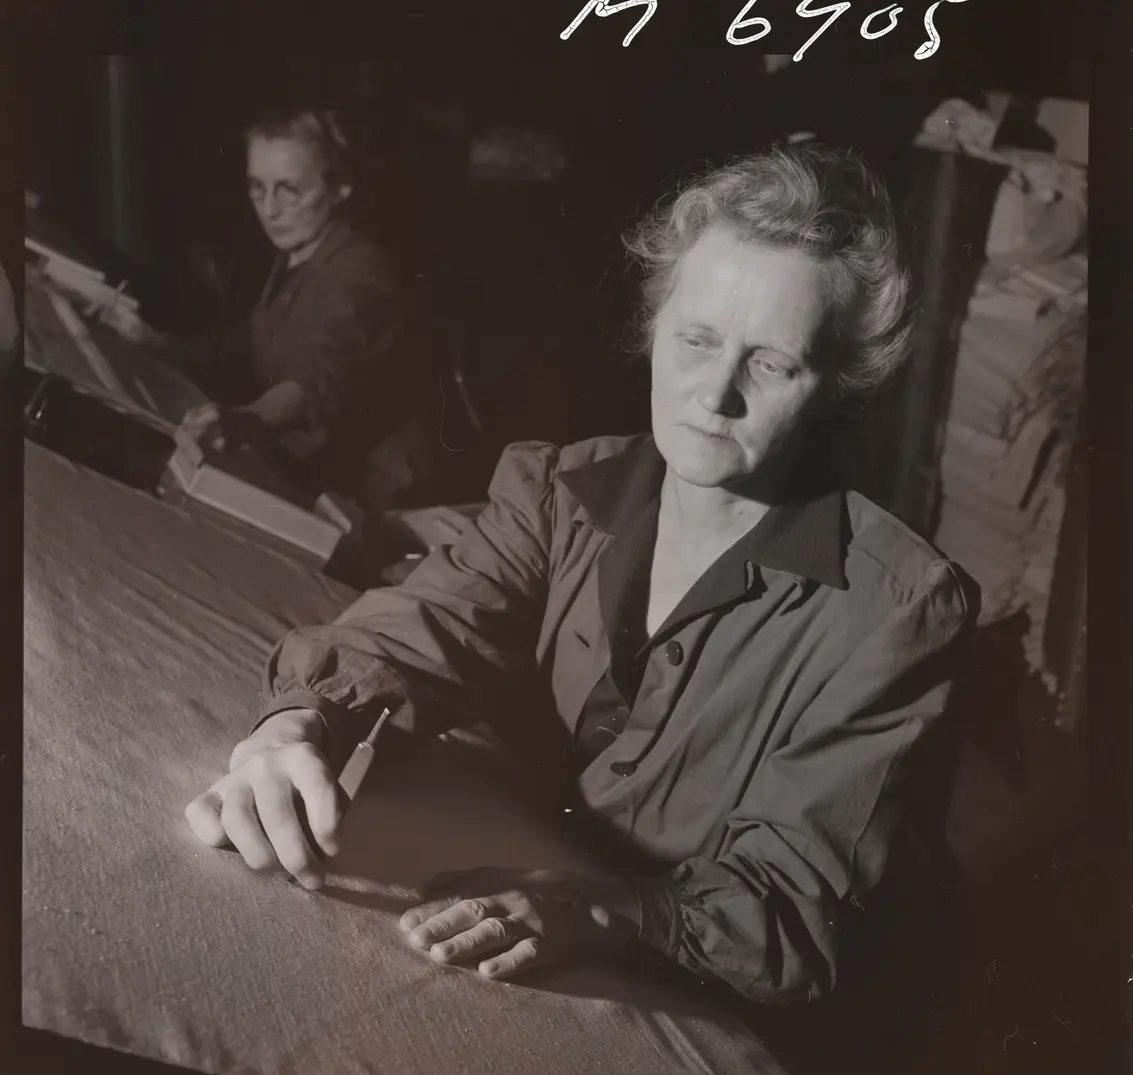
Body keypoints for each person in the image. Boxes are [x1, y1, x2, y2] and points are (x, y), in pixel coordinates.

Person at [184, 145, 979, 1006]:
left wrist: (606, 912)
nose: (714, 394)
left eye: (771, 364)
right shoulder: (558, 490)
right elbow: (428, 623)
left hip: (713, 1014)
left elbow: (794, 911)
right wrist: (297, 726)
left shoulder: (894, 610)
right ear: (654, 331)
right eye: (696, 340)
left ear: (835, 388)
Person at [106, 108, 427, 502]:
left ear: (340, 187)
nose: (270, 210)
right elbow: (250, 342)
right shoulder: (299, 252)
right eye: (258, 187)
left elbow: (313, 381)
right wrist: (158, 344)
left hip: (365, 495)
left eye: (289, 191)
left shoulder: (361, 275)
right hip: (301, 459)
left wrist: (251, 419)